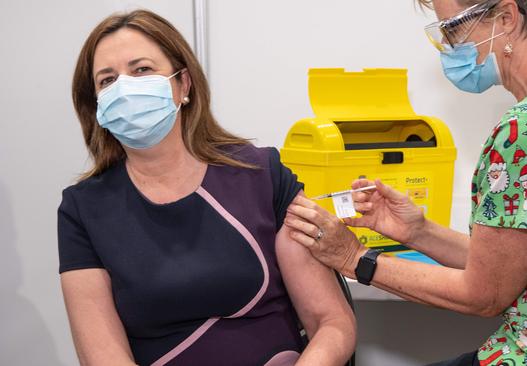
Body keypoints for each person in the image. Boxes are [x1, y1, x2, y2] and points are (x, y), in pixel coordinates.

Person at [284, 0, 527, 364]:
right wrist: (418, 231)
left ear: (506, 18)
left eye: (452, 28)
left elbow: (483, 295)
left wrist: (354, 258)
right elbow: (509, 264)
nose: (447, 46)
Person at [58, 10, 355, 366]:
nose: (125, 88)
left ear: (183, 84)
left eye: (141, 70)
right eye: (107, 80)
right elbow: (102, 357)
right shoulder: (83, 209)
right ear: (96, 106)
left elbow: (331, 323)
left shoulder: (261, 174)